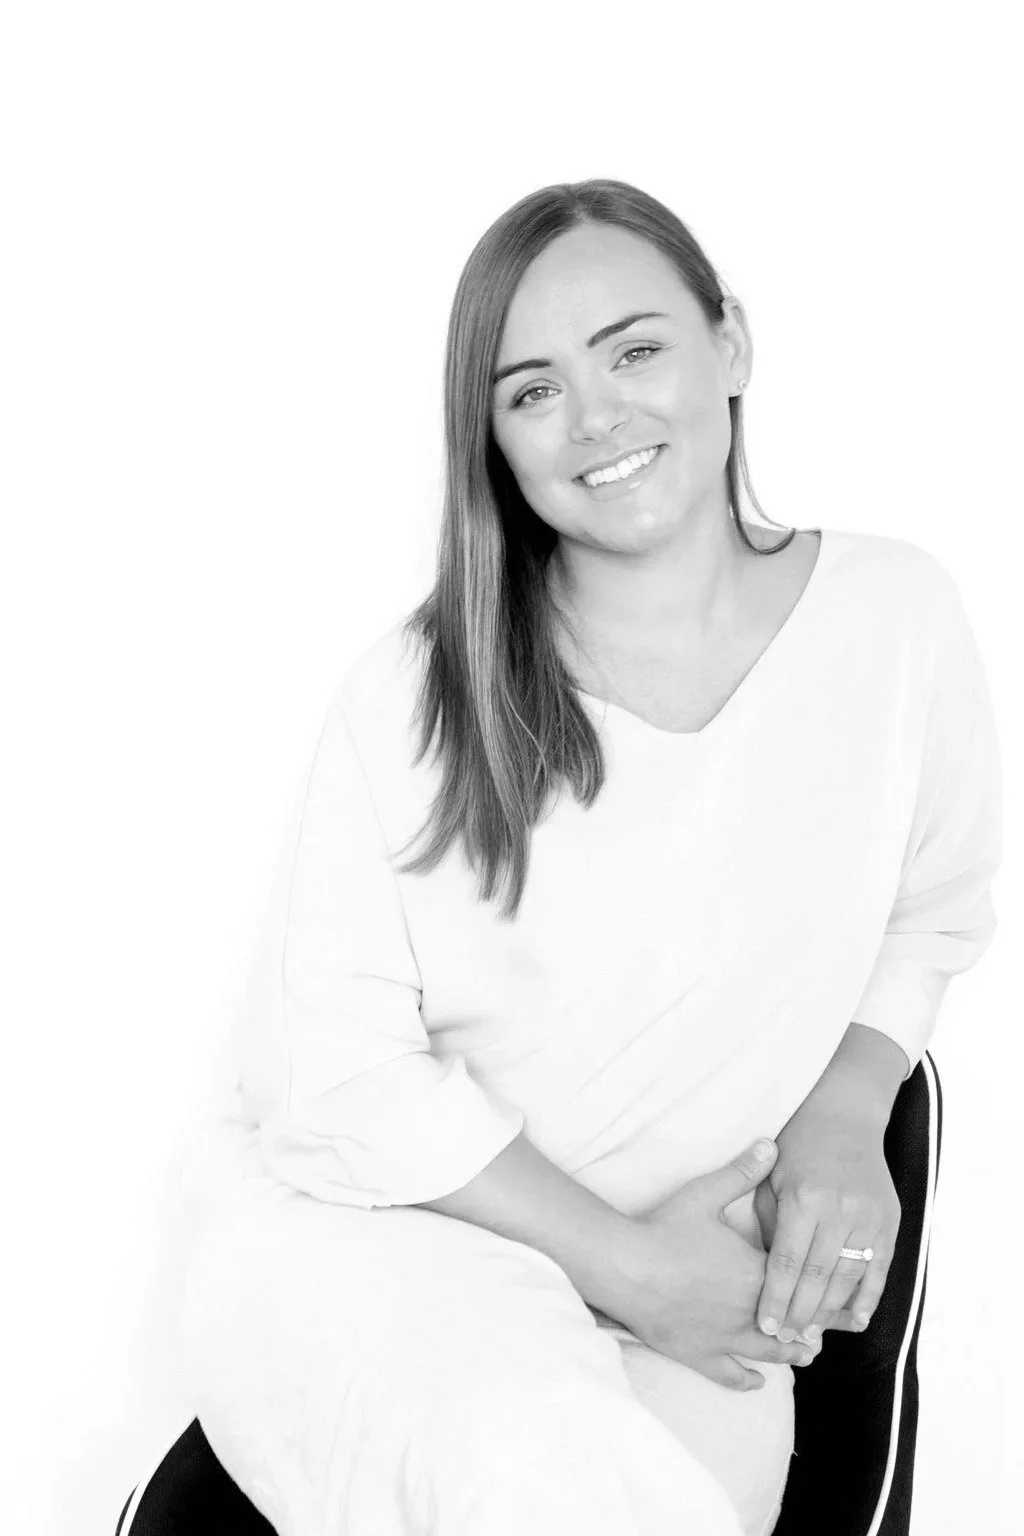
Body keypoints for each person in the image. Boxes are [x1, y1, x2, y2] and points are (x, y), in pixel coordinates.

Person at [177, 179, 1002, 1536]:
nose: (600, 417)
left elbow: (934, 910)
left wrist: (851, 1109)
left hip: (696, 1285)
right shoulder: (414, 694)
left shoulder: (896, 620)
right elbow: (342, 1085)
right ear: (494, 441)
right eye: (533, 391)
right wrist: (625, 1266)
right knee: (539, 1479)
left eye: (636, 350)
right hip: (383, 1253)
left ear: (730, 347)